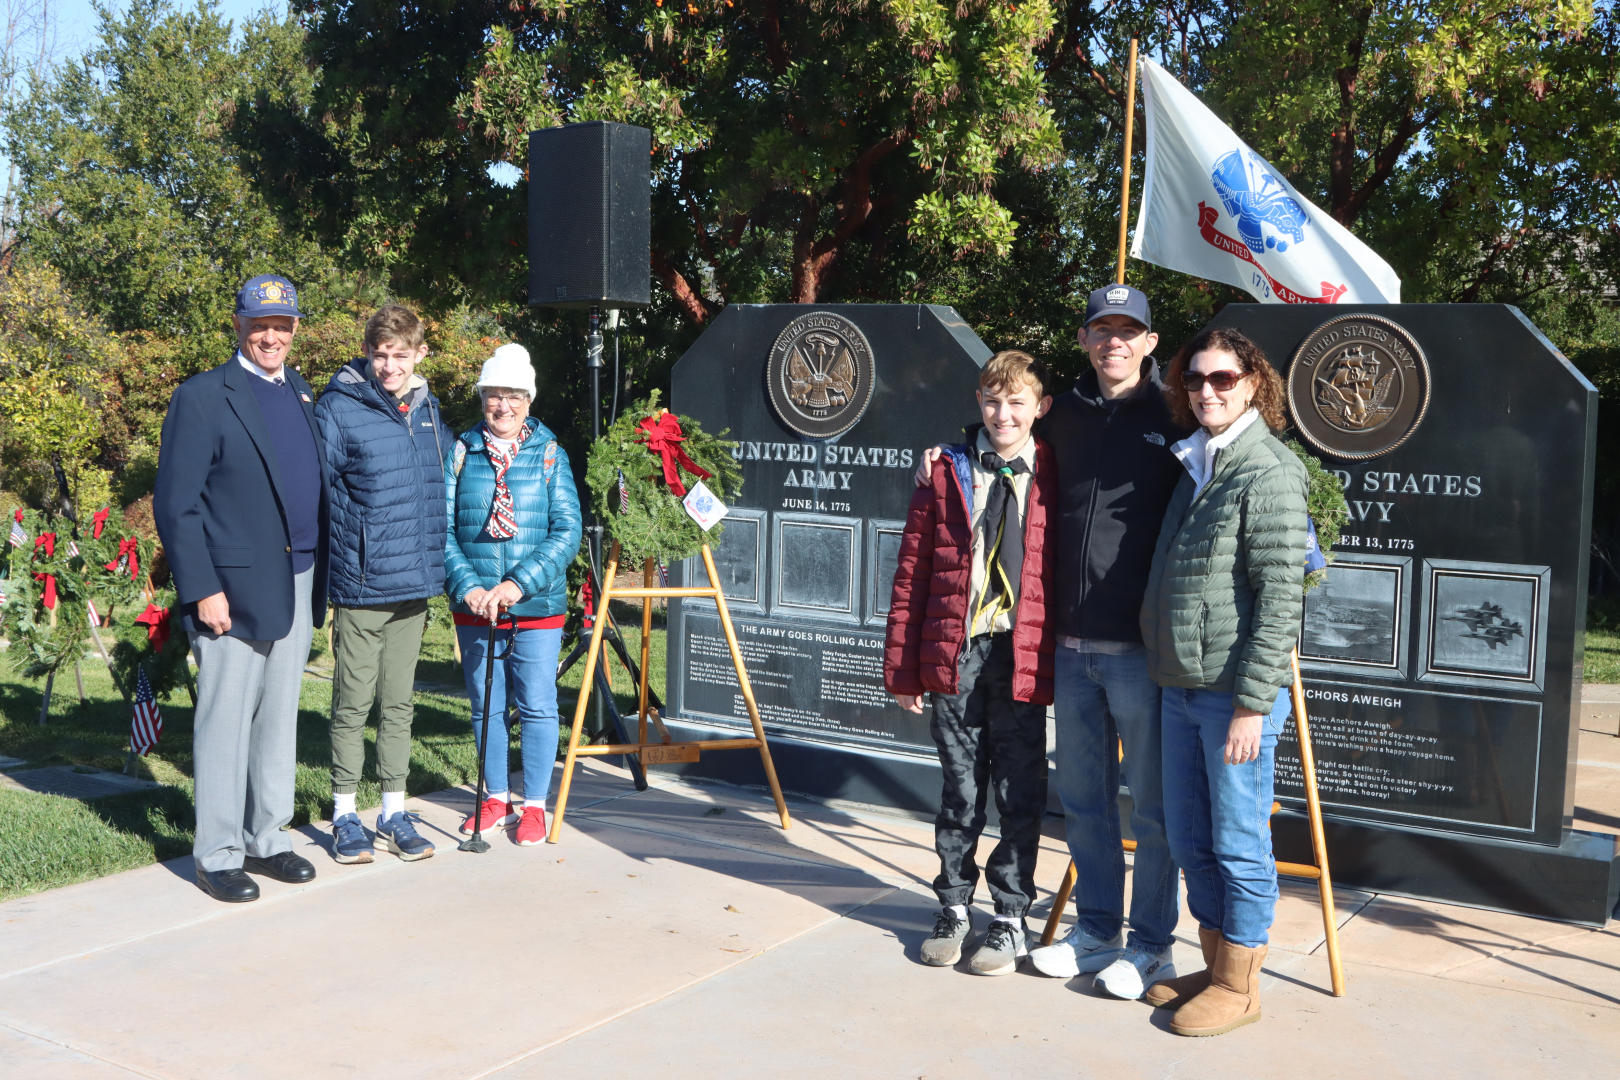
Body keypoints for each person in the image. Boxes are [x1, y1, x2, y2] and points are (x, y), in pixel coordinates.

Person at [913, 284, 1188, 999]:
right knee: (1085, 804)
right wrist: (947, 448)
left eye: (1128, 331)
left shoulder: (1176, 414)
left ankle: (1151, 944)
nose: (1114, 342)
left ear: (1150, 342)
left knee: (1151, 808)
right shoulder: (1062, 411)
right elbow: (999, 427)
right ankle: (1097, 931)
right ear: (1085, 338)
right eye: (1102, 329)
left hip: (1140, 648)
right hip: (1065, 645)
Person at [1139, 326, 1307, 1036]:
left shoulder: (1268, 471)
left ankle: (1241, 985)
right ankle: (1214, 966)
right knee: (1190, 837)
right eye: (1195, 378)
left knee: (1238, 839)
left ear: (1253, 384)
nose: (1207, 390)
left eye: (1223, 378)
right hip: (1180, 686)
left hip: (1232, 697)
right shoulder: (1199, 460)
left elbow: (1280, 600)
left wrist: (1251, 706)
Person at [153, 274, 330, 903]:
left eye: (281, 326)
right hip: (229, 589)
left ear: (295, 329)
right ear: (238, 325)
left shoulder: (301, 391)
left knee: (278, 719)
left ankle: (267, 838)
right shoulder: (202, 396)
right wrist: (202, 587)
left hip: (297, 578)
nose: (271, 336)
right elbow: (176, 505)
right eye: (260, 325)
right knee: (225, 722)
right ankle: (219, 854)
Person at [885, 350, 1059, 976]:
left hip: (1022, 654)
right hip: (958, 652)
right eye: (992, 400)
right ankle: (954, 905)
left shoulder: (1057, 473)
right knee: (960, 788)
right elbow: (912, 573)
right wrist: (903, 667)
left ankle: (1009, 915)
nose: (1002, 414)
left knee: (1018, 789)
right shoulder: (946, 471)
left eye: (1017, 402)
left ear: (1040, 408)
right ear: (977, 403)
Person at [315, 304, 455, 864]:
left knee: (398, 704)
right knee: (352, 705)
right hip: (363, 584)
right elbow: (316, 492)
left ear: (420, 354)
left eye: (400, 355)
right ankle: (344, 815)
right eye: (380, 355)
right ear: (367, 354)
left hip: (414, 585)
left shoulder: (429, 412)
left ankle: (393, 812)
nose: (390, 366)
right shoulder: (338, 408)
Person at [444, 343, 582, 846]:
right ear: (482, 398)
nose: (503, 406)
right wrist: (469, 586)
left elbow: (567, 531)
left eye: (514, 396)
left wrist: (516, 583)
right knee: (486, 706)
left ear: (529, 400)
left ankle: (534, 806)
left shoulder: (550, 455)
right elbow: (441, 529)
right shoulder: (462, 452)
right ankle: (496, 798)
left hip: (535, 604)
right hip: (476, 606)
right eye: (494, 396)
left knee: (538, 705)